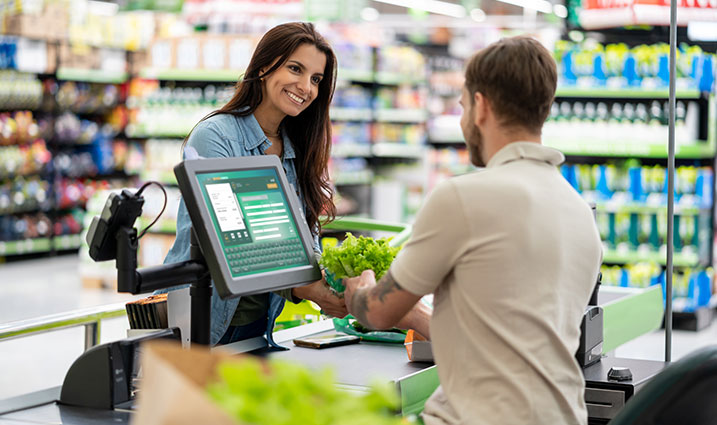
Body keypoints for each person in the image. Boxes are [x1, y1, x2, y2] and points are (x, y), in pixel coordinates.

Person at [342, 36, 603, 425]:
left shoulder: (463, 197)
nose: (464, 121)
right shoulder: (580, 212)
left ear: (481, 106)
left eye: (463, 106)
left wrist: (357, 291)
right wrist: (415, 315)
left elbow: (377, 313)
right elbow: (510, 336)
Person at [163, 22, 347, 348]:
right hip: (199, 323)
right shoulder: (216, 136)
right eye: (295, 69)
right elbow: (232, 242)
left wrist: (336, 280)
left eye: (316, 79)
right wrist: (303, 288)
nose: (306, 87)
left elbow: (306, 237)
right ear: (264, 65)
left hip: (257, 328)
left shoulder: (297, 147)